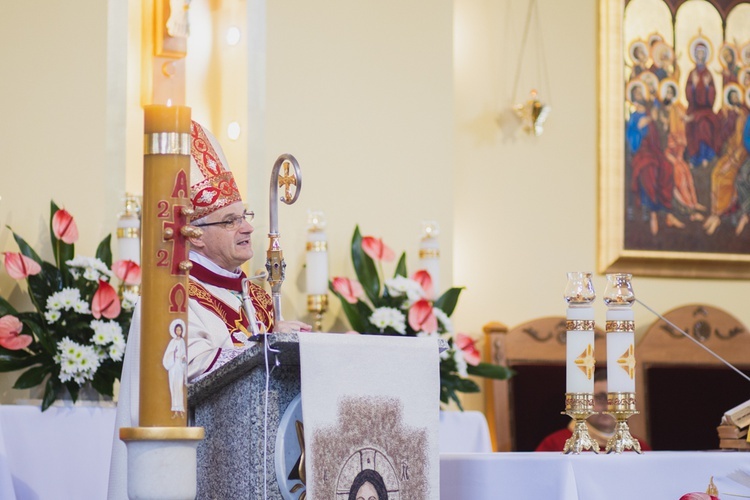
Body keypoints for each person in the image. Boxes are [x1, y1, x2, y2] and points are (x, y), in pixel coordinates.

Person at [107, 121, 311, 499]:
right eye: (230, 220)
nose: (246, 227)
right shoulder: (169, 299)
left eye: (245, 215)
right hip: (199, 470)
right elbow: (184, 371)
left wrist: (289, 344)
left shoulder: (258, 298)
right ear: (196, 235)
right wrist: (265, 346)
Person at [535, 369, 651, 452]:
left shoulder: (638, 447)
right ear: (586, 399)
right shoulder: (556, 444)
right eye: (600, 397)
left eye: (615, 399)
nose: (607, 406)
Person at [162, 319, 187, 417]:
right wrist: (173, 353)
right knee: (172, 386)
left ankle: (180, 409)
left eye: (180, 330)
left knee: (179, 387)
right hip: (172, 365)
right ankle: (175, 410)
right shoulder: (172, 341)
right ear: (174, 331)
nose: (178, 332)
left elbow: (184, 353)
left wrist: (184, 358)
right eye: (177, 330)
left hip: (179, 365)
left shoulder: (182, 342)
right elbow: (168, 353)